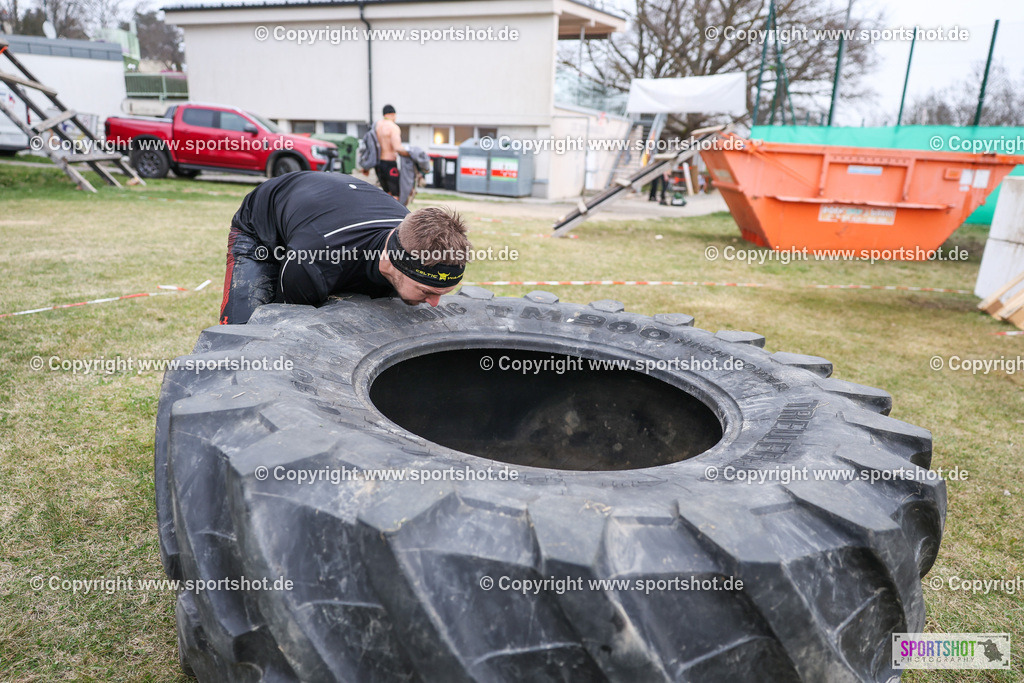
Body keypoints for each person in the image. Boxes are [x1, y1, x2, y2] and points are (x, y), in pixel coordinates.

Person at [219, 171, 471, 325]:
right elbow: (283, 325)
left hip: (324, 215)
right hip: (263, 228)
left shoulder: (411, 233)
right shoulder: (314, 262)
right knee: (246, 332)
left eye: (443, 292)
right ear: (390, 261)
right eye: (427, 291)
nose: (435, 303)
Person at [375, 104, 407, 199]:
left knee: (386, 194)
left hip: (378, 164)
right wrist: (410, 154)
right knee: (395, 195)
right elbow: (397, 147)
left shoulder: (377, 126)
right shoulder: (393, 127)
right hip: (389, 164)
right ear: (392, 114)